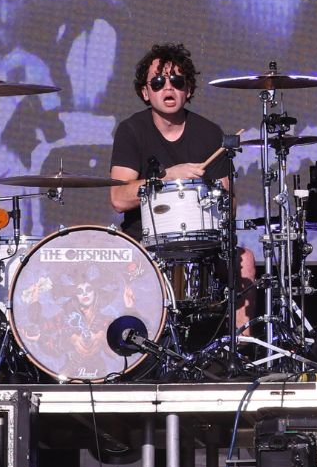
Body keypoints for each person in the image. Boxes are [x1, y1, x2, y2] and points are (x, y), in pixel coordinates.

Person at [106, 42, 254, 331]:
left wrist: (211, 194)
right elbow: (118, 198)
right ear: (145, 92)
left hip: (203, 245)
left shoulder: (209, 132)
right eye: (158, 82)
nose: (168, 88)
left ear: (189, 90)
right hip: (144, 243)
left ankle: (243, 353)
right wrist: (166, 178)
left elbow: (230, 204)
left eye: (177, 81)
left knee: (244, 259)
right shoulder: (131, 130)